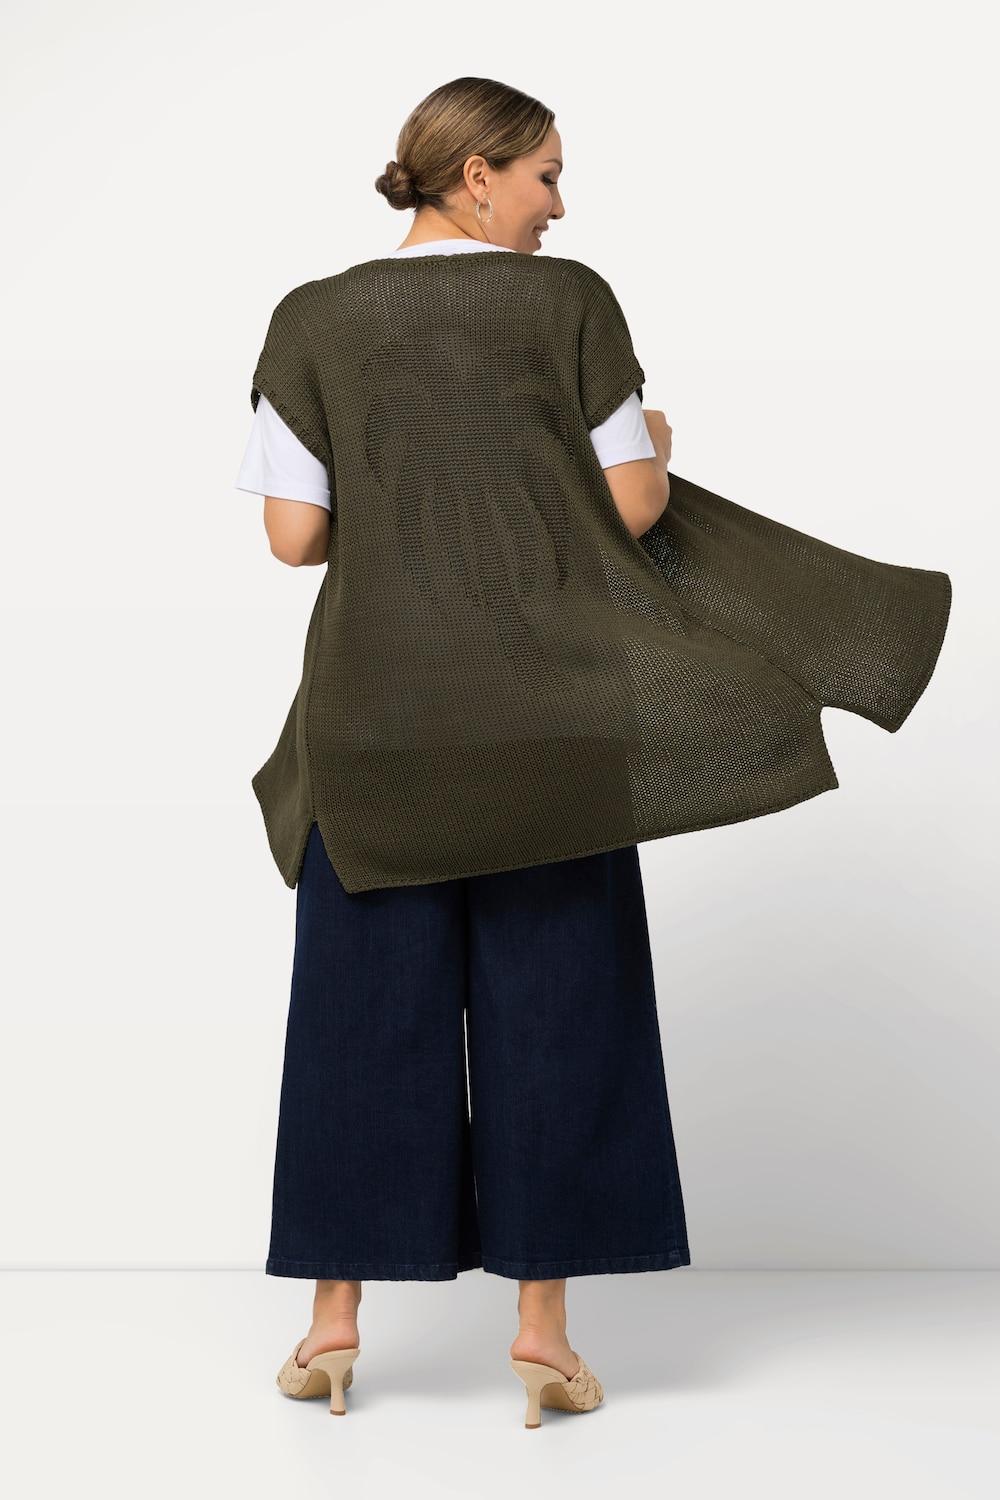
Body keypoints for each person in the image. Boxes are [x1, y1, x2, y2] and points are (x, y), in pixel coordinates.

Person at [235, 77, 689, 1426]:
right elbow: (632, 506)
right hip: (548, 720)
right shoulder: (570, 305)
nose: (561, 205)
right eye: (547, 174)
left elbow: (294, 539)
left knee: (360, 1018)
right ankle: (543, 1343)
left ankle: (331, 1327)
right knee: (562, 1011)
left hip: (376, 725)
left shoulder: (311, 318)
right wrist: (657, 449)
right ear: (478, 174)